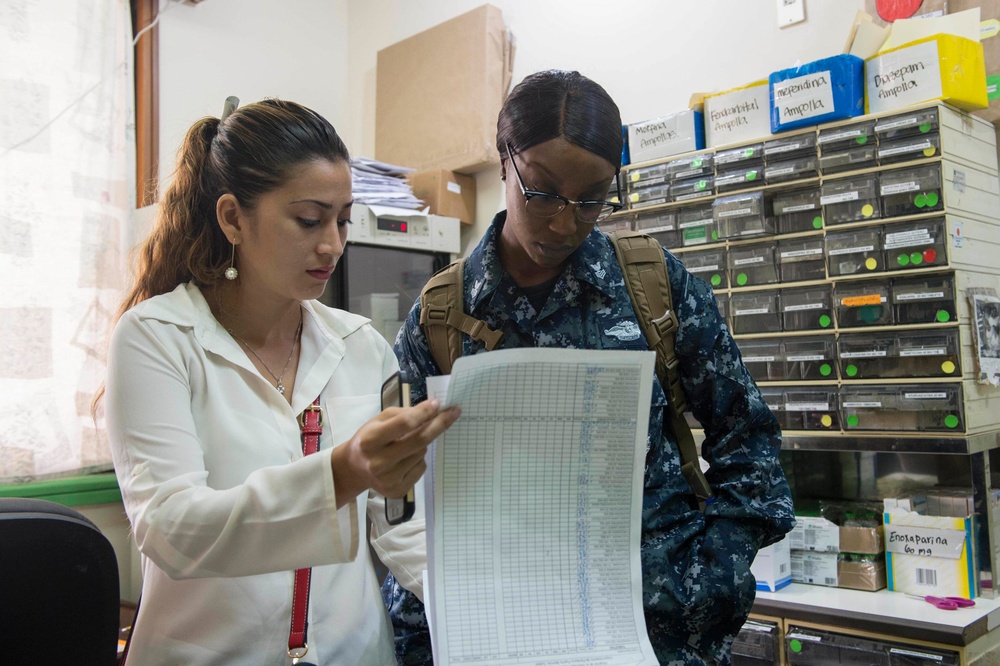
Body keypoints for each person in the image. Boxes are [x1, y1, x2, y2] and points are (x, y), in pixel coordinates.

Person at [382, 70, 795, 665]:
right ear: (504, 158)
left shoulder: (651, 284)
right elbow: (397, 500)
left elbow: (748, 436)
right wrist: (442, 603)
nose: (564, 223)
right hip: (502, 633)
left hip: (658, 634)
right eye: (543, 192)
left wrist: (712, 572)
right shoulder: (442, 315)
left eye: (592, 199)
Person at [99, 98, 459, 665]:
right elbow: (172, 528)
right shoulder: (158, 338)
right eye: (310, 220)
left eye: (343, 220)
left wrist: (473, 605)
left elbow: (399, 523)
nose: (332, 244)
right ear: (232, 218)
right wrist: (342, 471)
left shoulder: (361, 346)